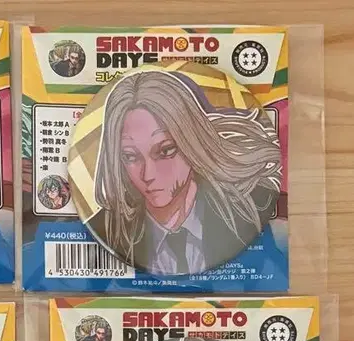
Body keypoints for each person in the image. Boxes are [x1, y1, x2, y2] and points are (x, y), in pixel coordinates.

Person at [87, 69, 281, 276]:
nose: (148, 175)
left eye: (165, 151)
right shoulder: (103, 229)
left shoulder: (253, 207)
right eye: (130, 156)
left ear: (191, 142)